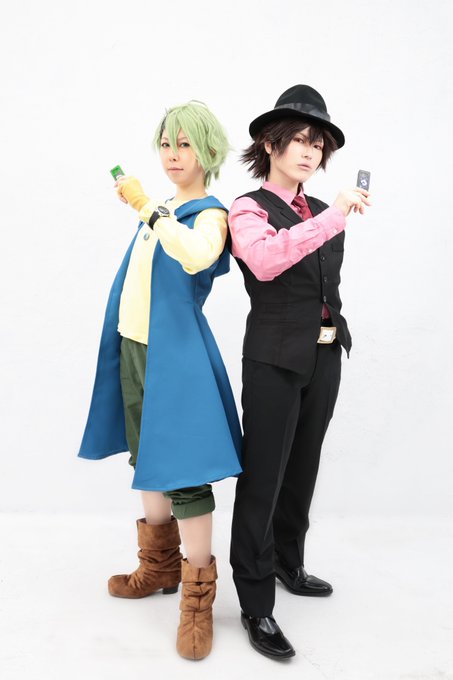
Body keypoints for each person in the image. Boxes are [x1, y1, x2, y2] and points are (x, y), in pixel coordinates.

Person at [78, 100, 242, 660]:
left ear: (209, 151)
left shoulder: (208, 214)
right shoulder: (166, 208)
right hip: (134, 347)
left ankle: (197, 600)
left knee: (186, 471)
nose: (173, 155)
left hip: (177, 358)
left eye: (185, 144)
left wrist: (145, 205)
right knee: (144, 456)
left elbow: (197, 257)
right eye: (167, 144)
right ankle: (159, 567)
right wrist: (152, 207)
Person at [228, 84, 371, 659]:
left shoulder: (317, 210)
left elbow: (321, 280)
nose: (311, 152)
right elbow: (266, 262)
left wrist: (330, 217)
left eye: (319, 144)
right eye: (301, 141)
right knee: (264, 476)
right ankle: (255, 602)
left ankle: (288, 562)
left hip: (324, 355)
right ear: (271, 143)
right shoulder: (247, 208)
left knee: (303, 468)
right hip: (273, 359)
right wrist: (334, 216)